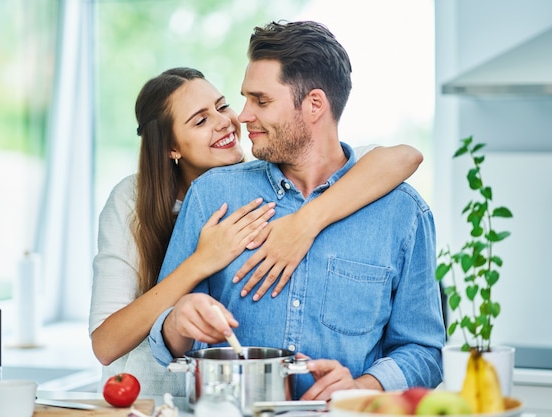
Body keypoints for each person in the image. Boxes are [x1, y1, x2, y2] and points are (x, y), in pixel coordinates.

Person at [149, 21, 445, 401]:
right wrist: (178, 320)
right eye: (245, 98)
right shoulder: (213, 195)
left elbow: (424, 351)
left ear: (314, 105)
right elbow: (168, 341)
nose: (242, 116)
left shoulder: (403, 214)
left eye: (261, 100)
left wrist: (360, 388)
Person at [89, 67, 423, 395]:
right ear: (170, 148)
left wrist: (303, 224)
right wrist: (202, 260)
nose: (226, 121)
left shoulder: (274, 166)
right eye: (201, 120)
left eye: (222, 106)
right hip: (149, 390)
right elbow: (105, 344)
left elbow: (403, 157)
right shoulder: (133, 202)